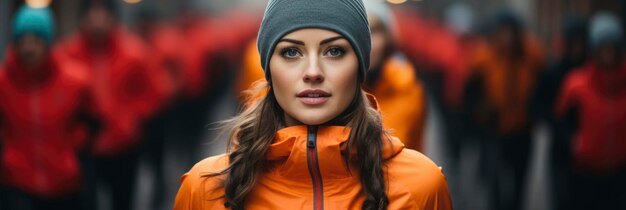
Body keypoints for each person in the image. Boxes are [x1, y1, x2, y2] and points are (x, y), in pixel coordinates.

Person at [173, 0, 452, 209]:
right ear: (269, 67)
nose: (313, 71)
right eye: (291, 52)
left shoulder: (421, 187)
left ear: (360, 66)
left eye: (334, 51)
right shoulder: (204, 190)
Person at [56, 1, 164, 210]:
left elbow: (153, 95)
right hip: (84, 149)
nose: (97, 21)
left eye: (103, 13)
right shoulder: (67, 55)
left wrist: (132, 119)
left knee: (122, 201)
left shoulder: (134, 53)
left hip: (124, 145)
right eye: (92, 14)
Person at [0, 5, 95, 210]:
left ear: (48, 42)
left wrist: (76, 151)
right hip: (17, 184)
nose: (29, 48)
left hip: (65, 185)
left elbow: (92, 123)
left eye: (36, 40)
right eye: (22, 40)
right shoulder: (3, 84)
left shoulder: (74, 81)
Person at [554, 12, 626, 210]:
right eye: (604, 49)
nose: (608, 55)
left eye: (613, 49)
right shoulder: (576, 84)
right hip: (585, 170)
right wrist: (573, 141)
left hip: (619, 172)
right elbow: (561, 120)